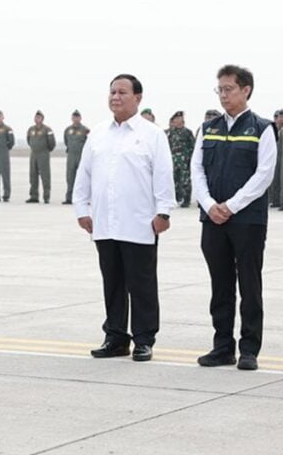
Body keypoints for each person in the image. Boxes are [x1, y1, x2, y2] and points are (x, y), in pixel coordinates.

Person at [74, 74, 175, 363]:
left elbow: (163, 175)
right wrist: (81, 209)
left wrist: (163, 212)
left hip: (140, 222)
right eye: (112, 92)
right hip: (104, 222)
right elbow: (84, 173)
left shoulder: (152, 134)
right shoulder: (98, 133)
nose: (115, 97)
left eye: (122, 92)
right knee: (113, 282)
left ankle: (144, 339)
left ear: (138, 98)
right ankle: (116, 337)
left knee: (141, 284)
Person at [191, 65, 277, 370]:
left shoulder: (263, 128)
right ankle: (222, 346)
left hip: (247, 220)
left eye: (229, 89)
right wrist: (210, 204)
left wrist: (232, 205)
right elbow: (197, 170)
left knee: (249, 285)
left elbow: (263, 175)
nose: (224, 95)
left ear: (246, 90)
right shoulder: (209, 127)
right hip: (212, 218)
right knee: (220, 285)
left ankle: (249, 349)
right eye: (220, 89)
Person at [166, 111, 196, 208]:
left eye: (181, 119)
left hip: (184, 161)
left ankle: (186, 200)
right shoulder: (169, 133)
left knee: (185, 181)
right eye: (177, 119)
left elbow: (192, 147)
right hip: (173, 161)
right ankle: (176, 198)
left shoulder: (187, 132)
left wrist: (190, 160)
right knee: (174, 180)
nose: (179, 121)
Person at [26, 110, 55, 203]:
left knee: (45, 176)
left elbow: (52, 143)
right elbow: (28, 140)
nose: (37, 119)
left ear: (42, 119)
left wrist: (46, 150)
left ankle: (46, 197)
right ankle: (34, 196)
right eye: (36, 117)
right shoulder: (31, 129)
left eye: (39, 117)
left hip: (43, 154)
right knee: (33, 175)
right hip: (33, 154)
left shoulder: (47, 129)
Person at [62, 110, 90, 205]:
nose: (75, 119)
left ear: (80, 118)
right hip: (71, 156)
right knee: (70, 177)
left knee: (83, 178)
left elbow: (88, 142)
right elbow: (66, 141)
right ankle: (69, 198)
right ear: (72, 118)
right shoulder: (67, 130)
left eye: (77, 117)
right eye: (74, 117)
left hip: (81, 156)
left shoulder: (85, 130)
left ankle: (84, 199)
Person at [270, 110, 283, 207]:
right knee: (275, 181)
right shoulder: (273, 129)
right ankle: (275, 200)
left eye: (282, 116)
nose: (280, 119)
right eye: (278, 117)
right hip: (275, 157)